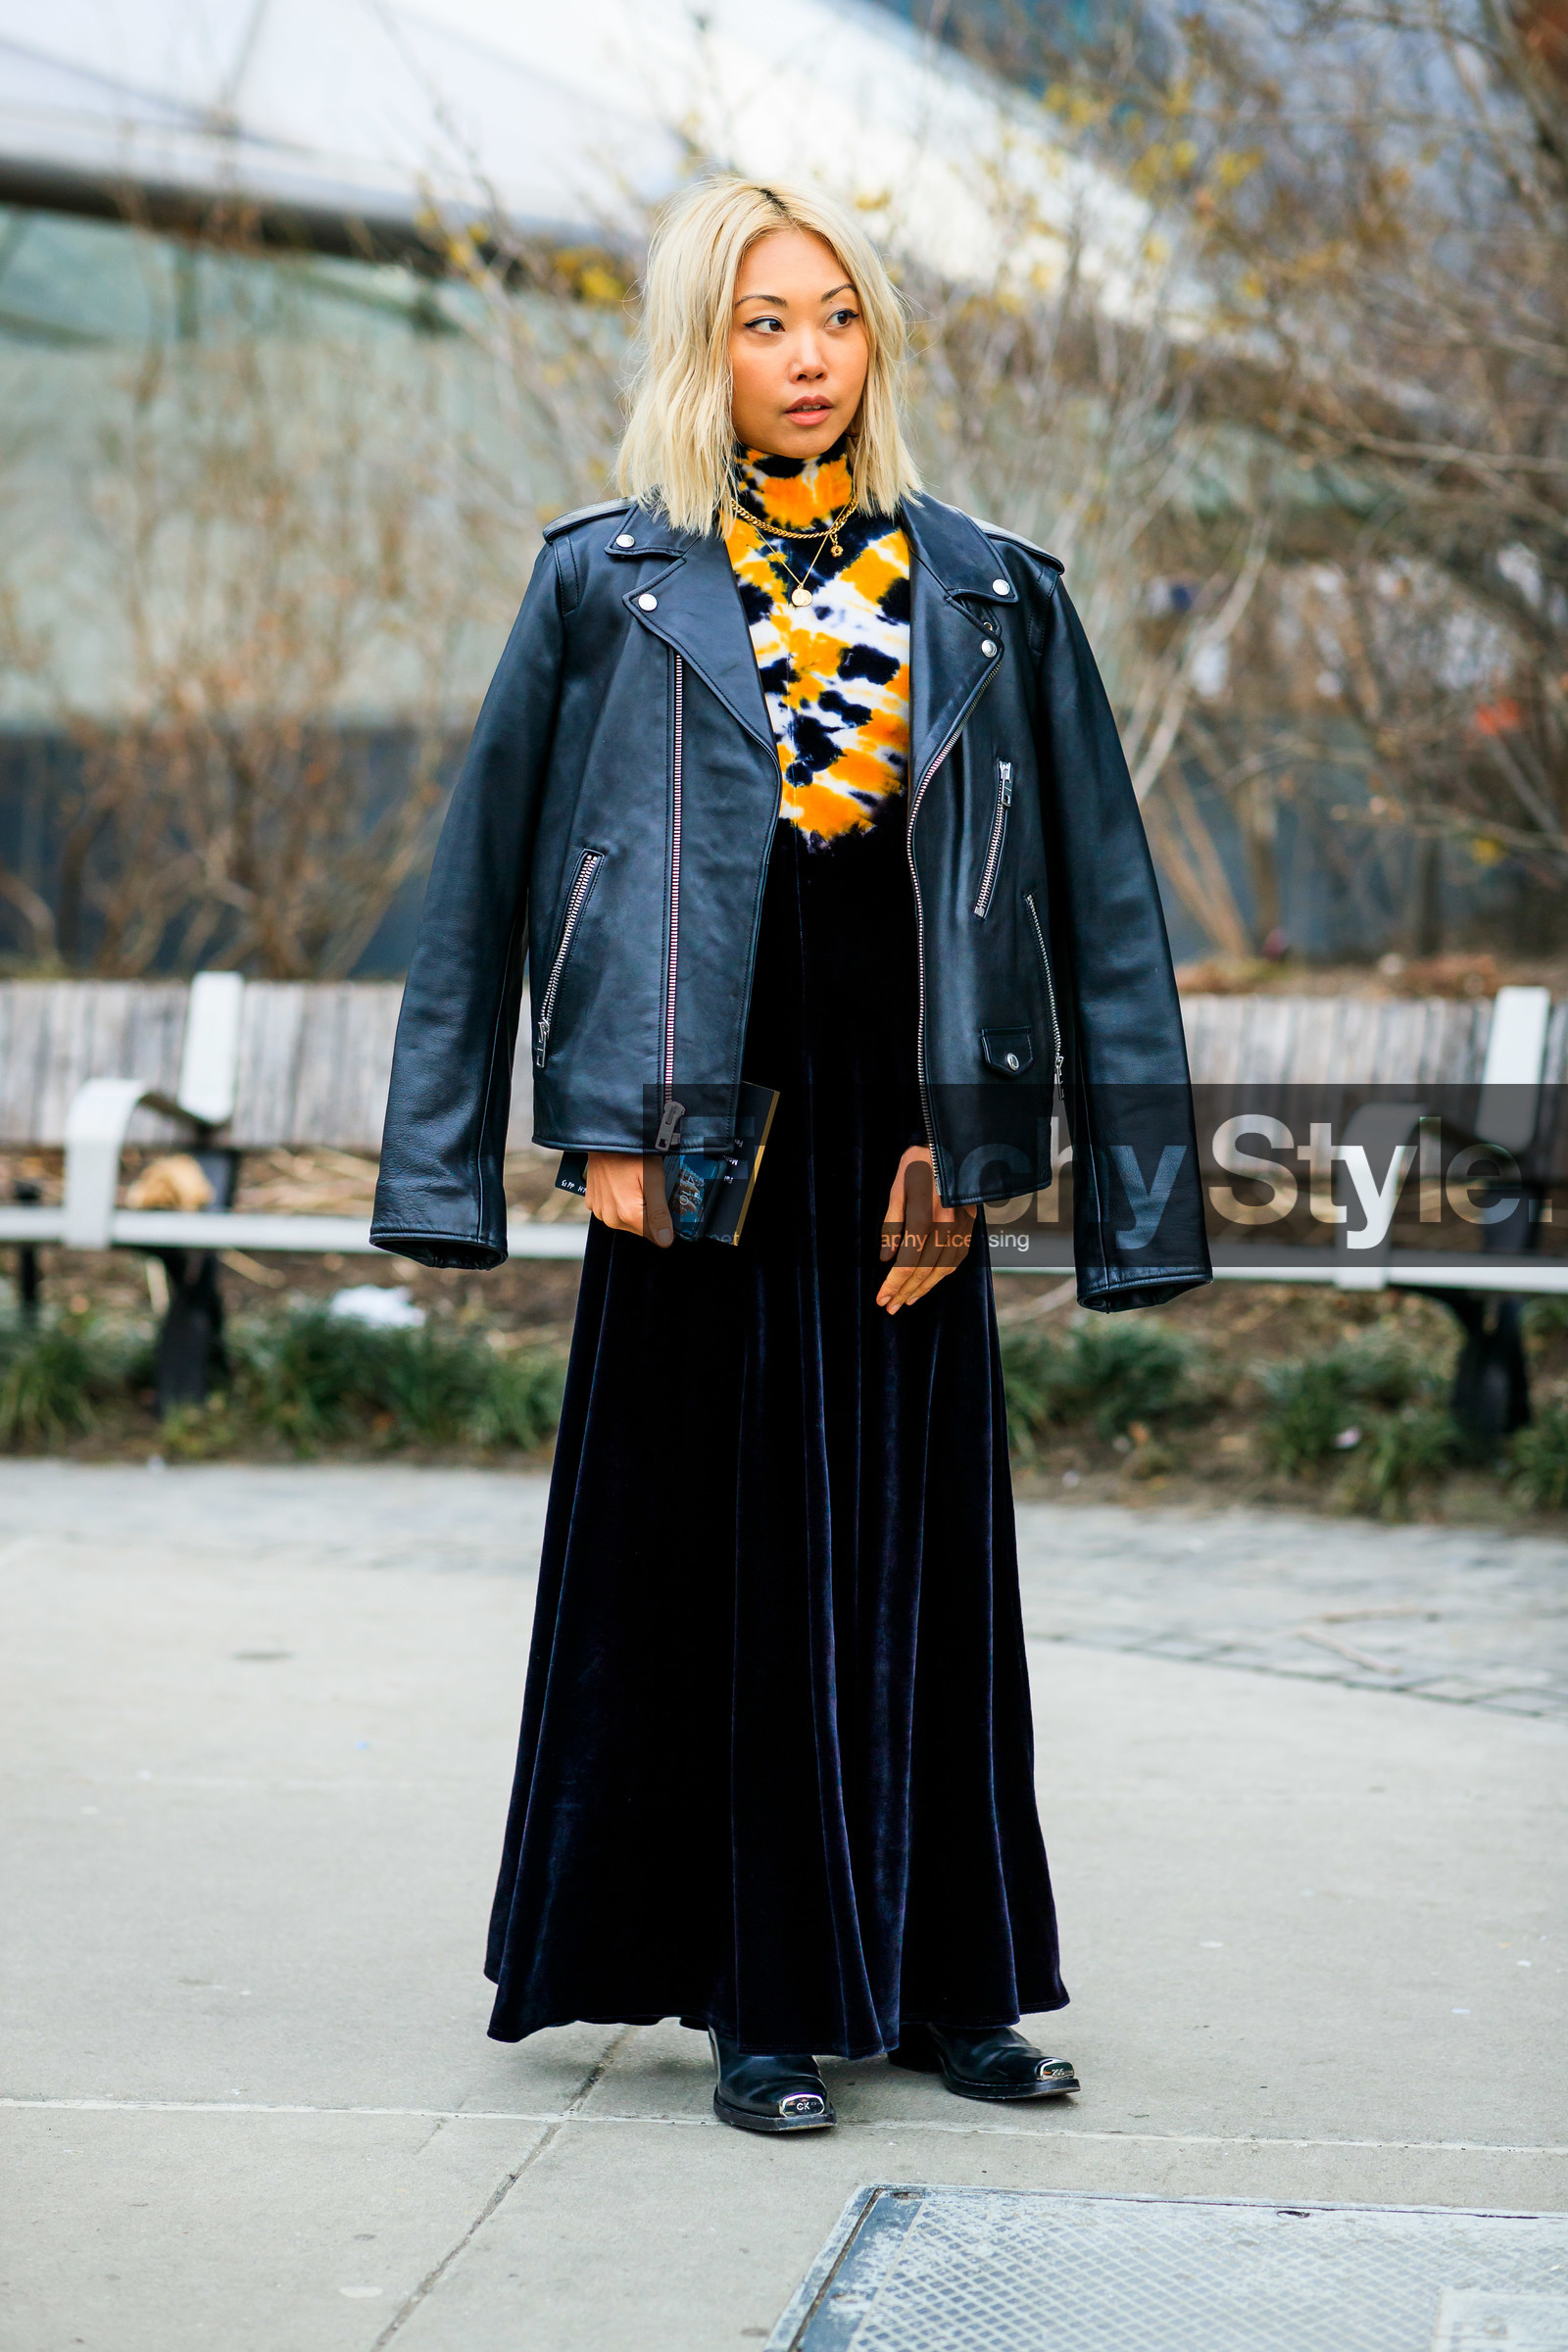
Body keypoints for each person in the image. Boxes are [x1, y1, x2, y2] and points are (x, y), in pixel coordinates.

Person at [371, 175, 1209, 2135]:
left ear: (876, 342)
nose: (807, 355)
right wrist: (573, 1131)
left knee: (922, 1564)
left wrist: (1004, 1156)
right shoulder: (608, 582)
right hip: (695, 1119)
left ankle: (951, 1987)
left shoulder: (990, 588)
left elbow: (1100, 905)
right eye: (764, 322)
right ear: (706, 349)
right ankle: (758, 1995)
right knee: (718, 1559)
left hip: (908, 1108)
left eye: (835, 316)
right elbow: (487, 882)